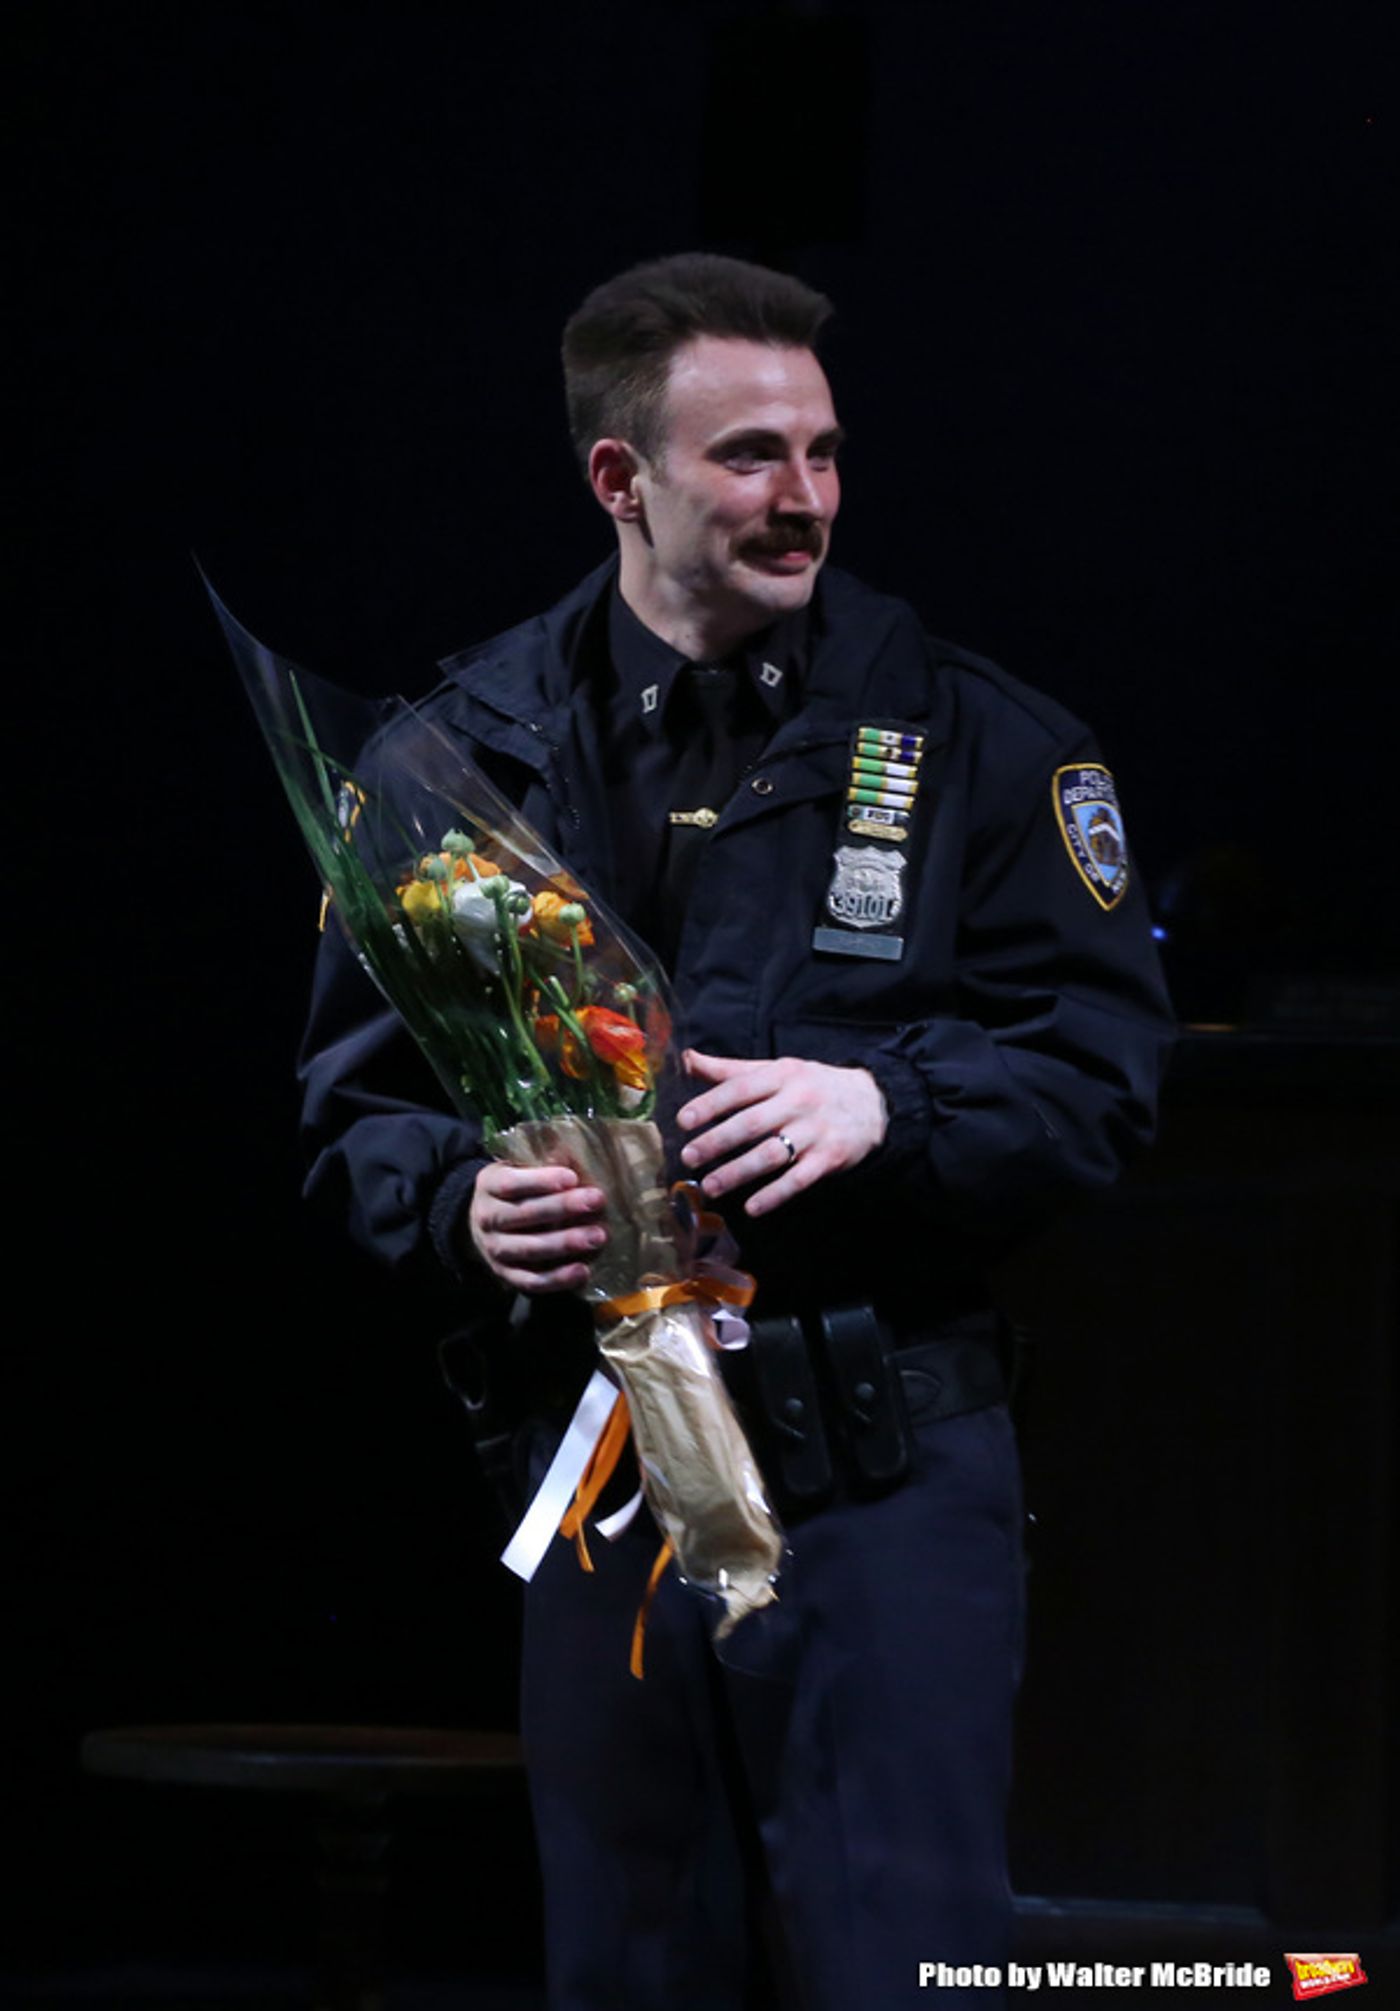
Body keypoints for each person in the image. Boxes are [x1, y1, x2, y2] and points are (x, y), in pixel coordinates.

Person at [300, 253, 1175, 2010]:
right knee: (629, 1964)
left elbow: (1103, 1076)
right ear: (620, 478)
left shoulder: (980, 743)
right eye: (753, 456)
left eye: (826, 452)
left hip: (881, 1466)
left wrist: (892, 1101)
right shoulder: (452, 763)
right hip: (606, 1463)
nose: (808, 498)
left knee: (904, 1966)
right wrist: (462, 1207)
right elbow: (356, 1115)